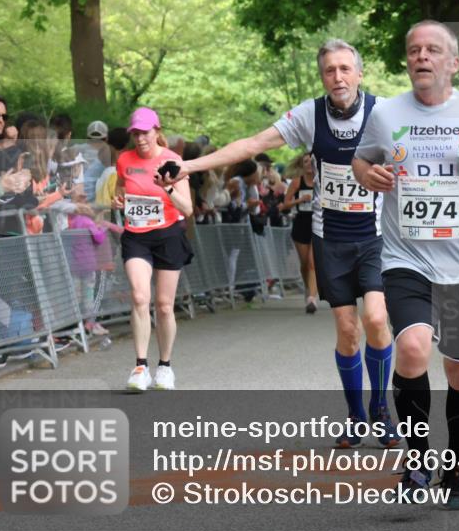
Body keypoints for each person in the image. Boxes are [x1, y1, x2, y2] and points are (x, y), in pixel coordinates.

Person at [164, 39, 402, 449]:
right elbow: (253, 145)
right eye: (330, 70)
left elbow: (424, 150)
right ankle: (356, 415)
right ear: (322, 76)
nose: (338, 77)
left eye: (346, 69)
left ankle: (381, 409)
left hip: (375, 236)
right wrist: (188, 165)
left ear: (359, 74)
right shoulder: (309, 115)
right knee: (347, 330)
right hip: (330, 238)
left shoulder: (383, 113)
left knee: (377, 320)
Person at [352, 20, 459, 510]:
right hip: (407, 257)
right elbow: (361, 163)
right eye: (413, 50)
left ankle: (457, 467)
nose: (420, 57)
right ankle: (416, 460)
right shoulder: (386, 112)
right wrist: (373, 174)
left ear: (454, 62)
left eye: (432, 50)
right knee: (410, 347)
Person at [113, 107, 194, 391]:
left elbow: (188, 208)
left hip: (168, 235)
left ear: (157, 131)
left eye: (145, 132)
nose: (140, 138)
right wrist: (119, 200)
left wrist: (168, 188)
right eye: (135, 133)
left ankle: (165, 367)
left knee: (163, 305)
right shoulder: (124, 159)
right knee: (138, 296)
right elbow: (122, 189)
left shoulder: (173, 160)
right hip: (136, 235)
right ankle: (139, 367)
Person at [281, 152, 319, 313]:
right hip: (301, 223)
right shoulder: (297, 182)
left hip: (317, 222)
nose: (309, 164)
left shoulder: (321, 182)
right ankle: (308, 288)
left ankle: (312, 298)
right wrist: (299, 200)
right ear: (302, 165)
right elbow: (285, 205)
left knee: (312, 263)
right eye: (306, 162)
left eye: (312, 162)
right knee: (304, 264)